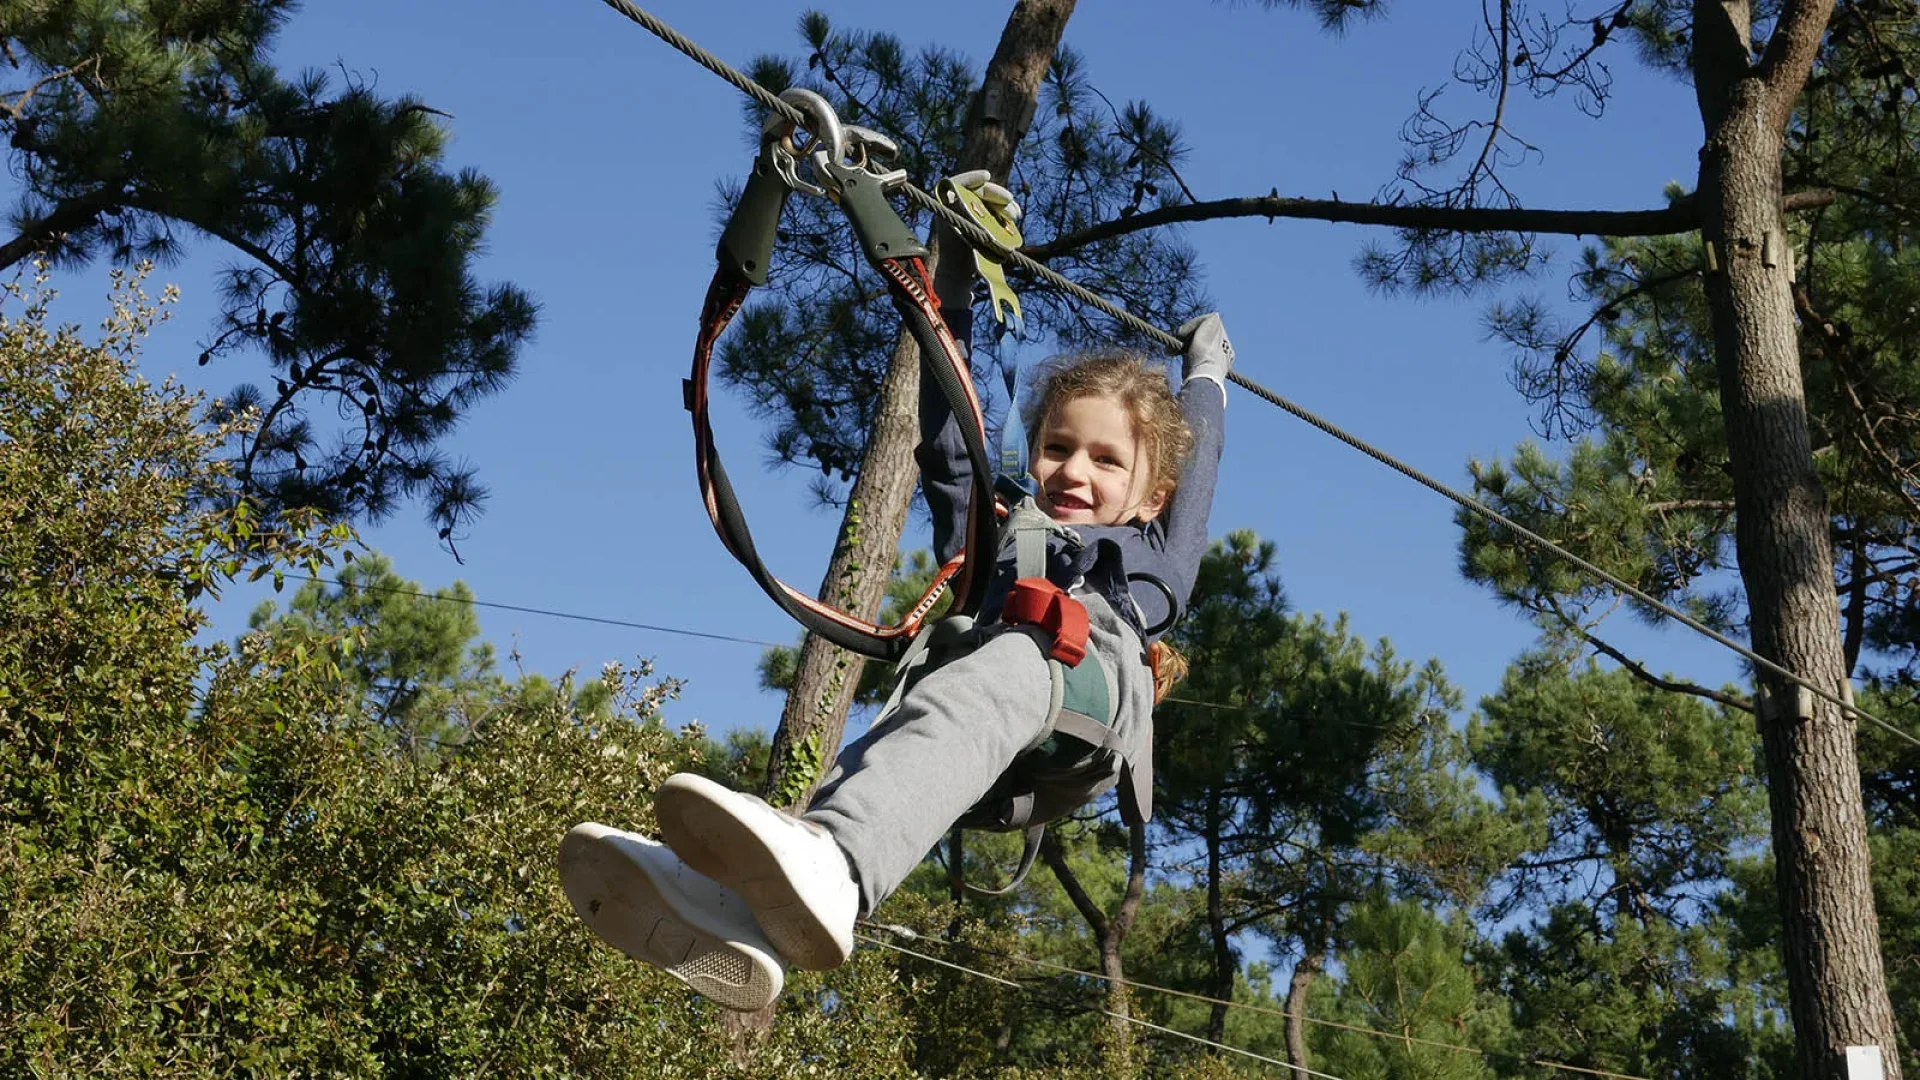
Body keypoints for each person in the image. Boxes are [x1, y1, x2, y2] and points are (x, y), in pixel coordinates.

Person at [558, 174, 1233, 1011]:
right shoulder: (1000, 535)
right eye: (1059, 447)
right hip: (996, 736)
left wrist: (1206, 378)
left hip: (1091, 693)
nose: (1075, 472)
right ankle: (743, 923)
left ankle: (837, 865)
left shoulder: (1151, 559)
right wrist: (945, 264)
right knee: (907, 729)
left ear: (1150, 493)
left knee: (1011, 665)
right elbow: (950, 434)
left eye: (1107, 460)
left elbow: (1196, 477)